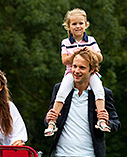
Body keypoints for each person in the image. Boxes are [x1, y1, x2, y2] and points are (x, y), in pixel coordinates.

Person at [44, 8, 110, 137]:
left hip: (91, 73)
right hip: (71, 72)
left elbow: (100, 57)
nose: (78, 26)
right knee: (61, 93)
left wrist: (90, 53)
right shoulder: (66, 42)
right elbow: (64, 60)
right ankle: (52, 122)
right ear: (68, 26)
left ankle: (101, 119)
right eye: (74, 24)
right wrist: (76, 53)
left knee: (99, 91)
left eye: (81, 23)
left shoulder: (90, 40)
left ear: (85, 24)